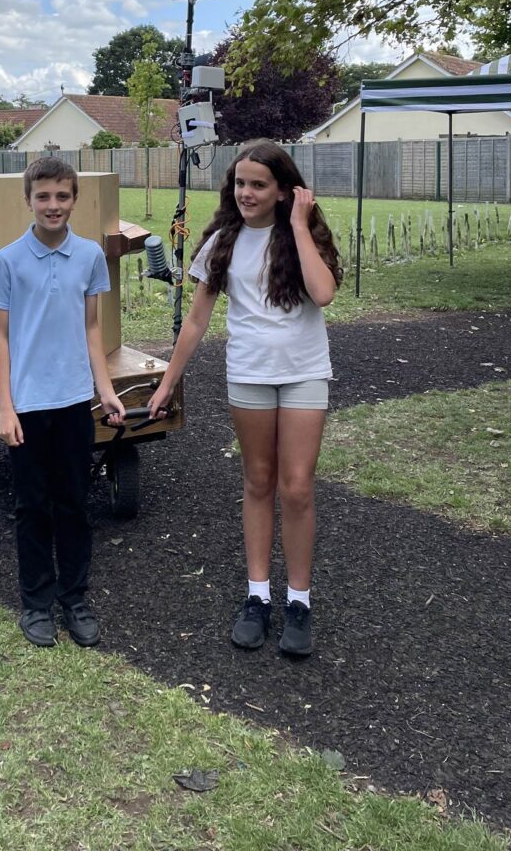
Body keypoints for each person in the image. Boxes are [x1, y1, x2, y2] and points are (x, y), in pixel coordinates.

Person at [148, 140, 342, 657]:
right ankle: (258, 595)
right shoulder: (222, 242)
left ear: (283, 190)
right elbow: (196, 320)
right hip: (249, 376)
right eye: (240, 183)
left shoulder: (303, 235)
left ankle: (298, 600)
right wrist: (168, 383)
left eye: (259, 184)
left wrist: (299, 225)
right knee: (258, 480)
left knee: (296, 487)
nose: (246, 193)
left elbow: (322, 294)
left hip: (303, 374)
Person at [0, 157, 125, 649]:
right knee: (31, 507)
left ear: (74, 199)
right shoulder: (9, 259)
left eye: (62, 196)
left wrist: (105, 391)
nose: (53, 205)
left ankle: (75, 599)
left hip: (73, 403)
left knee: (73, 504)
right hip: (26, 405)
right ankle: (37, 603)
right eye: (43, 196)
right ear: (29, 200)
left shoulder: (87, 258)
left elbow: (91, 330)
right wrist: (5, 406)